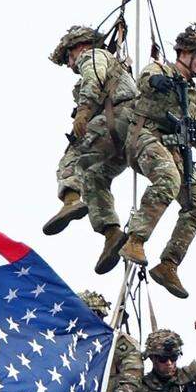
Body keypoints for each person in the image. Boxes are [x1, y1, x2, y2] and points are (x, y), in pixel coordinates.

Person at [115, 24, 196, 299]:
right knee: (168, 180)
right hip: (147, 137)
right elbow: (145, 78)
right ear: (184, 53)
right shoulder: (162, 71)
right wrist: (156, 83)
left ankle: (169, 264)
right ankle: (135, 240)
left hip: (177, 152)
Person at [45, 27, 137, 274]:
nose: (68, 64)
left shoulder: (92, 55)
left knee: (73, 158)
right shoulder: (114, 65)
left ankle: (71, 200)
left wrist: (84, 111)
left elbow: (92, 80)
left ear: (78, 47)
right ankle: (111, 234)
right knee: (96, 177)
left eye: (67, 57)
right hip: (131, 135)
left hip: (116, 119)